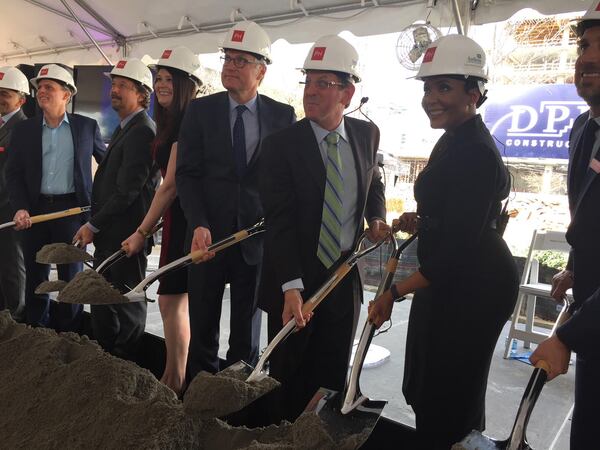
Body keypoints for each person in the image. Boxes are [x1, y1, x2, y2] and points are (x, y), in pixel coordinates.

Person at [368, 35, 519, 449]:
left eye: (444, 87)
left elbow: (458, 250)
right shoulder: (454, 136)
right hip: (453, 277)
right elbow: (457, 210)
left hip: (475, 284)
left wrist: (393, 294)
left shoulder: (475, 150)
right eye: (428, 87)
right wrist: (425, 218)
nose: (431, 98)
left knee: (449, 393)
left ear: (474, 92)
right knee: (428, 381)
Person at [259, 35, 389, 422]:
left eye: (323, 84)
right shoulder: (281, 145)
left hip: (344, 275)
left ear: (347, 93)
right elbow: (278, 222)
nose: (311, 92)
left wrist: (375, 216)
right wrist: (291, 287)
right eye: (308, 82)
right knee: (288, 376)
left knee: (332, 376)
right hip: (294, 280)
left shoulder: (367, 135)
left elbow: (373, 182)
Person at [176, 21, 296, 382]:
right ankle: (197, 405)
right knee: (203, 333)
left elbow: (283, 182)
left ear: (261, 70)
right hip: (206, 239)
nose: (229, 65)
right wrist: (198, 221)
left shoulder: (282, 116)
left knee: (246, 338)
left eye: (240, 60)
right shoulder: (200, 111)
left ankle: (237, 411)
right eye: (227, 58)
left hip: (255, 241)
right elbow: (186, 174)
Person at [530, 4, 600, 448]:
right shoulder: (582, 129)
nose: (585, 58)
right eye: (584, 44)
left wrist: (567, 337)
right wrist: (576, 264)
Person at [121, 47, 200, 395]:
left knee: (173, 300)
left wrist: (141, 231)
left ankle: (175, 382)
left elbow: (169, 186)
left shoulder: (188, 122)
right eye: (160, 79)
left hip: (186, 220)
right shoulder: (170, 122)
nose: (162, 84)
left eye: (170, 79)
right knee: (172, 300)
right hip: (175, 219)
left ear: (187, 84)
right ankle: (172, 377)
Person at [6, 64, 105, 332]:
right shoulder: (24, 130)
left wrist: (96, 211)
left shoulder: (87, 127)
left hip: (72, 214)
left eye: (50, 87)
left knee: (72, 281)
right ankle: (37, 335)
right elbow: (12, 174)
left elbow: (107, 168)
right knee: (37, 279)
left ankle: (69, 337)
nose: (42, 92)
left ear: (67, 94)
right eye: (39, 87)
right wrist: (20, 208)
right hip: (35, 214)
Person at [74, 58, 156, 360]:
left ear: (142, 94)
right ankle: (106, 358)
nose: (115, 90)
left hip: (127, 237)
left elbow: (127, 192)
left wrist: (93, 224)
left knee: (126, 301)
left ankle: (125, 364)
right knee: (103, 299)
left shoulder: (142, 131)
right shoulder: (128, 128)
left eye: (124, 85)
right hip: (113, 234)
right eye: (114, 84)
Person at [0, 66, 28, 322]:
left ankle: (15, 320)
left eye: (5, 94)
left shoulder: (24, 129)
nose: (0, 98)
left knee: (12, 267)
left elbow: (18, 175)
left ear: (21, 98)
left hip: (10, 209)